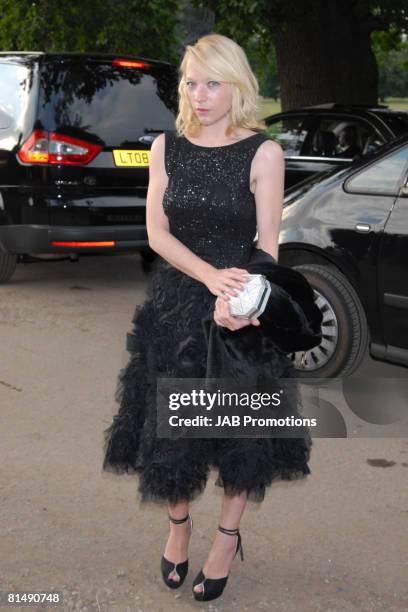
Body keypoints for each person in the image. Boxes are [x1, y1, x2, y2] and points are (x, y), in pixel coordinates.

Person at [102, 33, 313, 602]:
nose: (199, 95)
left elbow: (270, 246)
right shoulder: (167, 147)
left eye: (212, 83)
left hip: (239, 306)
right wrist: (206, 276)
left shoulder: (264, 152)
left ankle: (225, 538)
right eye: (191, 83)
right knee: (174, 433)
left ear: (237, 85)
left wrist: (242, 302)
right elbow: (155, 232)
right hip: (176, 307)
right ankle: (179, 529)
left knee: (239, 434)